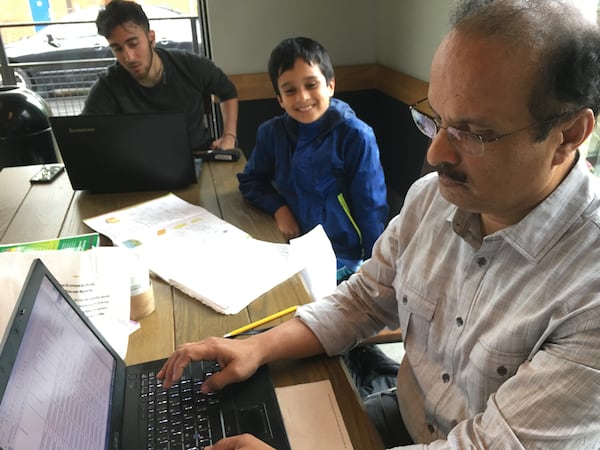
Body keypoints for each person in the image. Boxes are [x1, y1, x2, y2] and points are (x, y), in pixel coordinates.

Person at [158, 0, 600, 448]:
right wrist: (259, 346)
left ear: (568, 135)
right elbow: (365, 299)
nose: (436, 155)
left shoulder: (590, 289)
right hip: (405, 413)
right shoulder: (433, 199)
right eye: (437, 120)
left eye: (475, 134)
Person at [237, 37, 388, 282]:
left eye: (311, 84)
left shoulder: (356, 136)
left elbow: (372, 208)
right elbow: (251, 180)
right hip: (291, 249)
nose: (303, 97)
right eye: (290, 90)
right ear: (279, 99)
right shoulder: (271, 133)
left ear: (330, 85)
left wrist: (374, 269)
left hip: (347, 257)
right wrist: (279, 209)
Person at [82, 0, 238, 152]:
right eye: (117, 48)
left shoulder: (190, 66)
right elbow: (84, 133)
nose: (128, 57)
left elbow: (228, 92)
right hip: (139, 165)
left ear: (151, 38)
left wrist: (229, 137)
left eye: (133, 44)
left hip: (197, 155)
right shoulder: (108, 86)